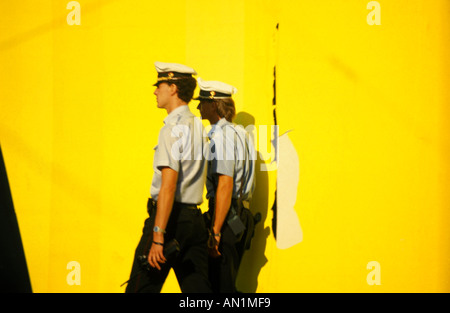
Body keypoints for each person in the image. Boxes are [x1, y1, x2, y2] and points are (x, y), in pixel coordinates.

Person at [125, 62, 211, 293]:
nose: (155, 91)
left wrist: (158, 236)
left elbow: (168, 186)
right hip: (193, 222)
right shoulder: (197, 126)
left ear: (173, 88)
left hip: (169, 220)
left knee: (140, 289)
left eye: (159, 85)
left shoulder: (172, 129)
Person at [195, 78, 256, 293]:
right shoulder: (242, 134)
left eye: (202, 101)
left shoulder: (220, 136)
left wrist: (216, 231)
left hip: (226, 215)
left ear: (214, 105)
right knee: (226, 285)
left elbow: (225, 184)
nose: (198, 106)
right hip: (240, 217)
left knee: (219, 287)